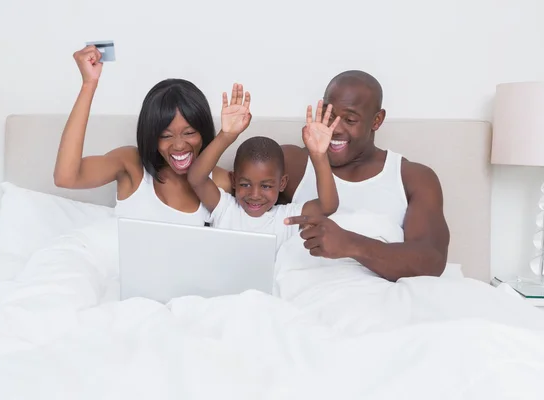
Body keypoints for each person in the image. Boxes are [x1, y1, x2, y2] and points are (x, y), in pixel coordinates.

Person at [281, 70, 450, 281]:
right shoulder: (293, 164)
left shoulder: (413, 177)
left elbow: (432, 260)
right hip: (304, 296)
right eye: (329, 117)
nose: (335, 129)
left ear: (377, 120)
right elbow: (230, 207)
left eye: (350, 120)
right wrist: (228, 136)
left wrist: (350, 244)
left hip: (381, 300)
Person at [53, 45, 232, 226]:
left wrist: (227, 135)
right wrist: (88, 84)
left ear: (203, 131)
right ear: (152, 136)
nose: (178, 145)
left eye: (189, 133)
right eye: (166, 136)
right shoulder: (131, 164)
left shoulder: (220, 181)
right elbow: (65, 177)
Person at [187, 84, 341, 252]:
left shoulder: (288, 217)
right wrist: (227, 135)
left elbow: (328, 206)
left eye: (266, 186)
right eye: (245, 184)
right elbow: (196, 178)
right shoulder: (225, 208)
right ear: (233, 180)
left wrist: (319, 156)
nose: (254, 195)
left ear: (282, 183)